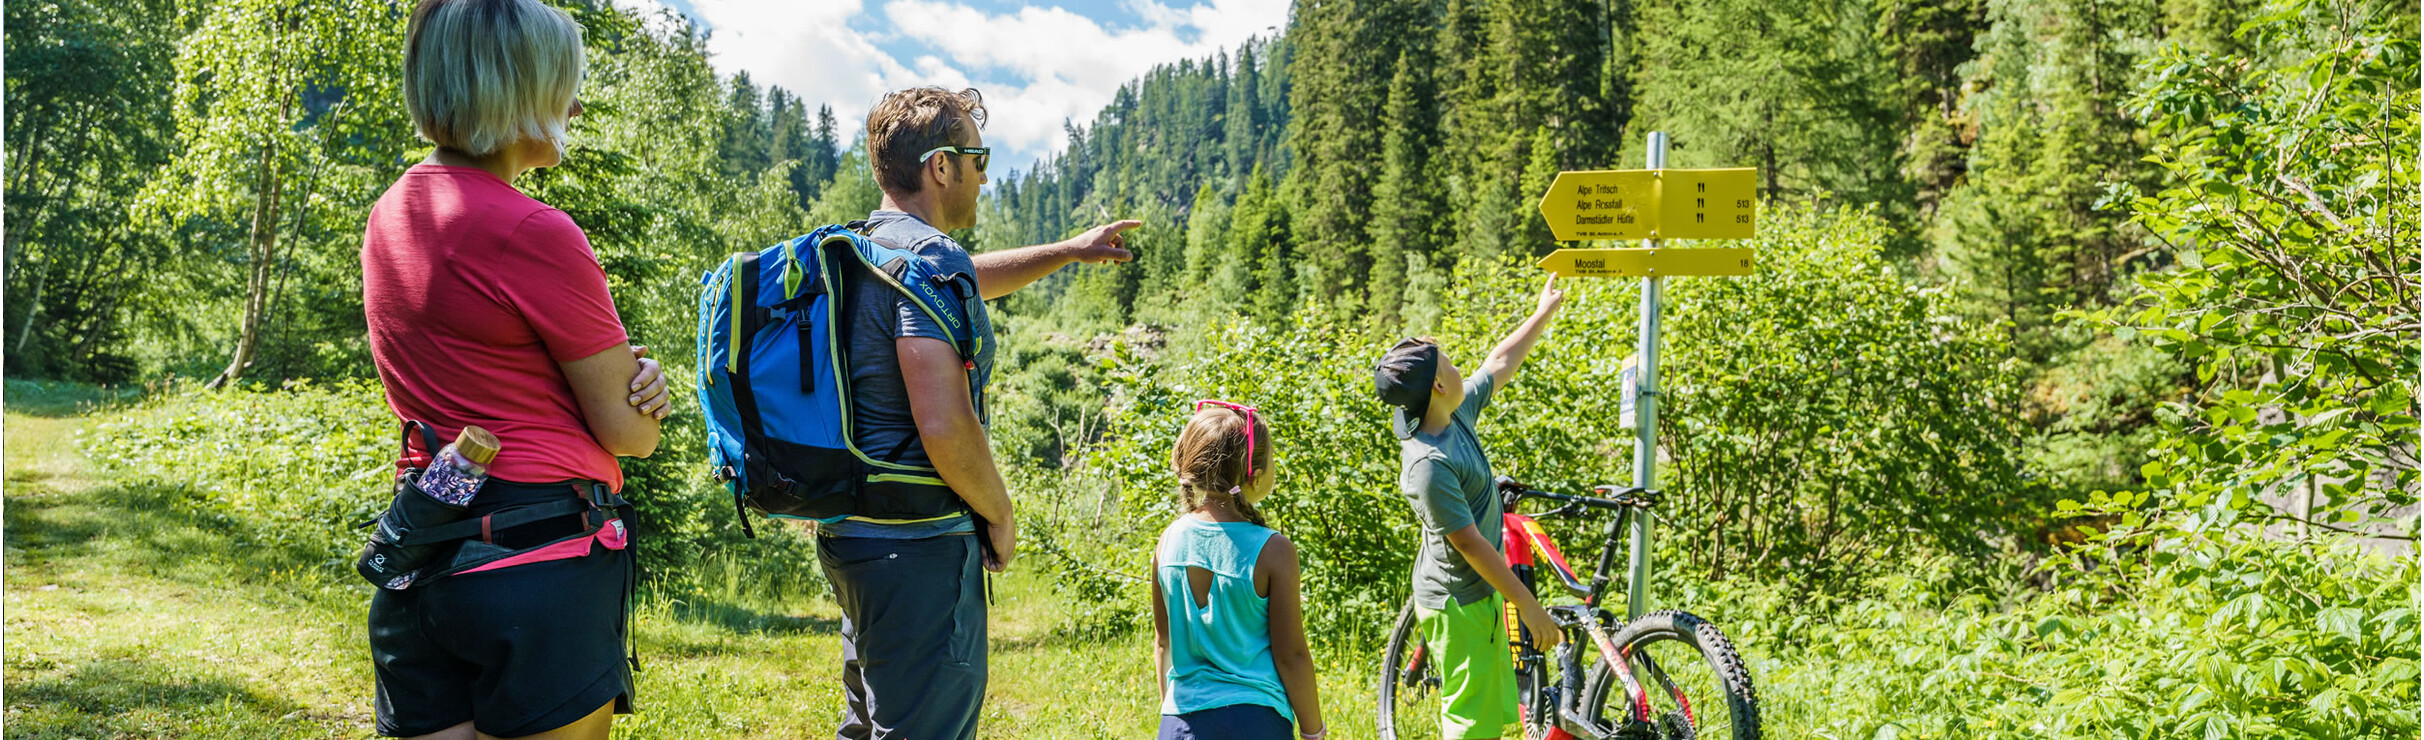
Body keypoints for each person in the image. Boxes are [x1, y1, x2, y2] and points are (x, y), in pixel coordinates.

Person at [360, 0, 671, 737]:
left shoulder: (390, 213)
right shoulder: (534, 230)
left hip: (422, 547)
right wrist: (647, 400)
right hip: (540, 561)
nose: (576, 103)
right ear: (516, 89)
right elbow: (629, 434)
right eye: (563, 82)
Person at [818, 85, 1138, 740]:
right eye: (977, 156)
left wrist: (1068, 250)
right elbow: (943, 423)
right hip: (918, 547)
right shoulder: (926, 261)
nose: (984, 173)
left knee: (869, 723)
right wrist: (999, 512)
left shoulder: (862, 251)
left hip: (851, 534)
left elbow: (965, 277)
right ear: (941, 166)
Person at [1371, 276, 1568, 740]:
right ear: (1438, 384)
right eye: (1450, 363)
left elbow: (1499, 362)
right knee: (1468, 725)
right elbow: (1470, 544)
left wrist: (1543, 313)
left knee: (1485, 715)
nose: (1462, 369)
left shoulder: (1452, 412)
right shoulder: (1428, 464)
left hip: (1479, 594)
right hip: (1457, 603)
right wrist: (1528, 607)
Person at [1151, 400, 1328, 740]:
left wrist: (1174, 713)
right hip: (1255, 723)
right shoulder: (1274, 550)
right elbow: (1290, 655)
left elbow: (1164, 642)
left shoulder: (1168, 541)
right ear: (1255, 475)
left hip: (1178, 723)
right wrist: (1313, 732)